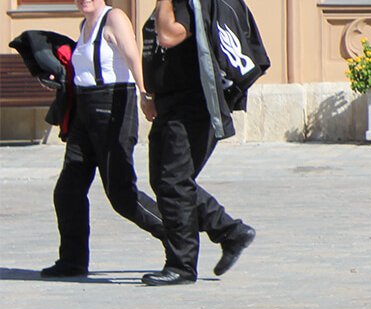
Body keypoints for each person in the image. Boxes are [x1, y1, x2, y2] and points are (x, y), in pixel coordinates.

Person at [41, 0, 167, 278]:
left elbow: (134, 57)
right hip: (85, 114)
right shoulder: (84, 24)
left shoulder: (115, 18)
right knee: (67, 191)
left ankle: (178, 238)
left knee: (122, 195)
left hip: (113, 108)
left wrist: (146, 96)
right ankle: (73, 261)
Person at [139, 0, 255, 286]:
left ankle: (182, 266)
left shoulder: (192, 4)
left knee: (174, 182)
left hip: (192, 108)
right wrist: (151, 95)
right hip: (169, 104)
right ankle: (230, 231)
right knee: (167, 181)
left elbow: (168, 35)